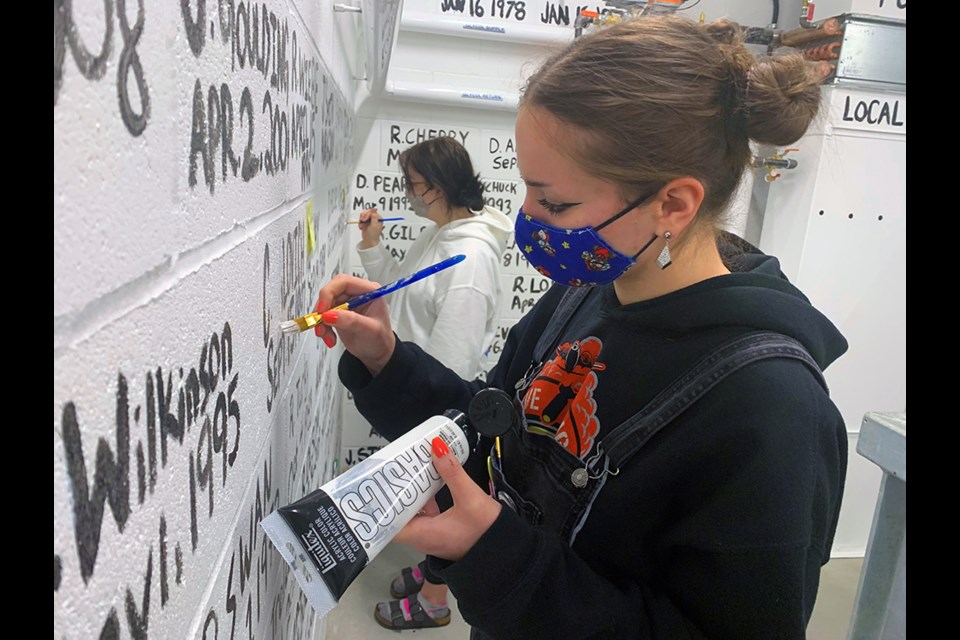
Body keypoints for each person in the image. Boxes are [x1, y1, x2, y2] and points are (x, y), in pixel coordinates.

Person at [313, 15, 848, 639]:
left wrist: (495, 555)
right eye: (529, 192)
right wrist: (387, 361)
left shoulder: (773, 410)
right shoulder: (582, 294)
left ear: (673, 204)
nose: (529, 219)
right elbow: (489, 425)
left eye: (557, 204)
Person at [352, 136, 512, 629]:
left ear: (439, 187)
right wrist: (373, 246)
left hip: (435, 405)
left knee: (441, 500)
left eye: (415, 185)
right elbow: (398, 290)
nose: (409, 194)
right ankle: (429, 577)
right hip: (416, 391)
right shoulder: (440, 234)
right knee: (427, 499)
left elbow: (454, 356)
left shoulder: (469, 255)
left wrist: (424, 420)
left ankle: (435, 602)